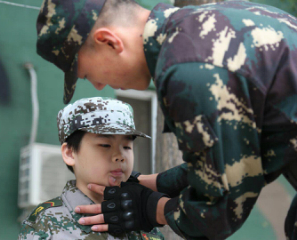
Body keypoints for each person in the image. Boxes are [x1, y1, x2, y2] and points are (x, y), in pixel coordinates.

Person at [35, 0, 297, 239]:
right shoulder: (212, 23)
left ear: (109, 42)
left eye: (88, 73)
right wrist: (157, 183)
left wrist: (150, 208)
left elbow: (218, 211)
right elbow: (244, 153)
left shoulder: (189, 69)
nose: (100, 85)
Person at [18, 97, 165, 240]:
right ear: (70, 153)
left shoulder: (142, 221)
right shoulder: (46, 223)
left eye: (127, 147)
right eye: (105, 145)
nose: (120, 156)